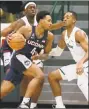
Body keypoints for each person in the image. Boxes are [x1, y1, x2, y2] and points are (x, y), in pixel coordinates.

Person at [1, 2, 65, 108]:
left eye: (51, 21)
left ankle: (30, 104)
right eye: (49, 21)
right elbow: (11, 38)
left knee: (3, 91)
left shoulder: (49, 36)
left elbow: (46, 55)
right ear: (40, 20)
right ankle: (25, 103)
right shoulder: (27, 29)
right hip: (18, 57)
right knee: (39, 75)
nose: (51, 23)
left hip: (28, 61)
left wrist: (39, 56)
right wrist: (10, 38)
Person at [48, 11, 88, 108]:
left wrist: (81, 62)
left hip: (86, 63)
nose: (65, 19)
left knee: (82, 83)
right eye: (64, 17)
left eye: (68, 17)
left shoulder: (79, 33)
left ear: (74, 20)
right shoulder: (64, 34)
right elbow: (58, 52)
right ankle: (60, 106)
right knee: (52, 76)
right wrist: (44, 53)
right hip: (80, 65)